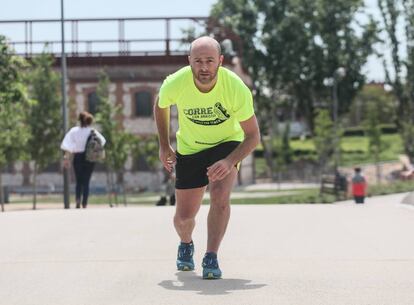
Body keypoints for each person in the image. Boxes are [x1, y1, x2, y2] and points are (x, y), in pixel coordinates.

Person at [154, 36, 260, 279]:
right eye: (198, 61)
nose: (204, 67)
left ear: (220, 61)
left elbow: (253, 136)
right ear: (189, 61)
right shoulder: (175, 83)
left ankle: (211, 256)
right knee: (183, 218)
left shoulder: (235, 87)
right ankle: (186, 244)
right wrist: (164, 145)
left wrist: (229, 161)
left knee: (220, 196)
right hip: (190, 148)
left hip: (226, 144)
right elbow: (160, 104)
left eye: (210, 61)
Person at [61, 111, 106, 209]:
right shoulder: (92, 131)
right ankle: (84, 203)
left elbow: (67, 145)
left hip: (78, 157)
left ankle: (78, 199)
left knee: (79, 180)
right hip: (89, 157)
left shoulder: (74, 131)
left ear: (79, 120)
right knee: (86, 181)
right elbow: (102, 141)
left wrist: (66, 158)